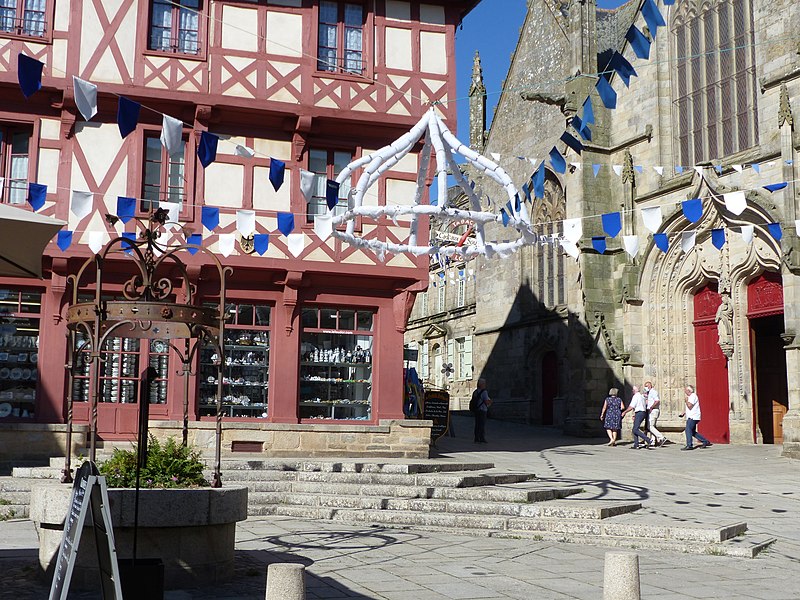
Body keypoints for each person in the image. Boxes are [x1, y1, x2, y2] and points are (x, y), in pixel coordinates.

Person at [679, 385, 712, 450]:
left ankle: (689, 445)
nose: (685, 391)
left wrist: (686, 401)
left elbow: (690, 405)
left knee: (688, 430)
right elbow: (690, 408)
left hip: (693, 417)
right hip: (692, 416)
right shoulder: (691, 397)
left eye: (686, 390)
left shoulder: (692, 396)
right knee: (692, 432)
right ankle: (705, 441)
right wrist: (684, 412)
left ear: (689, 390)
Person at [644, 381, 667, 447]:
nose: (645, 388)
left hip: (653, 410)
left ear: (649, 386)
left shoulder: (653, 392)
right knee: (652, 426)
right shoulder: (649, 393)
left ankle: (662, 437)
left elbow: (657, 400)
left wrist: (651, 407)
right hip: (651, 410)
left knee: (650, 426)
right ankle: (653, 441)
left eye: (646, 386)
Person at [471, 378, 492, 443]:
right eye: (484, 384)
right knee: (482, 424)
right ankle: (482, 438)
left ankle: (476, 438)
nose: (485, 385)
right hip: (482, 410)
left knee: (477, 424)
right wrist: (490, 401)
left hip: (476, 410)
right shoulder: (484, 392)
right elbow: (486, 401)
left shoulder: (475, 392)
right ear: (482, 384)